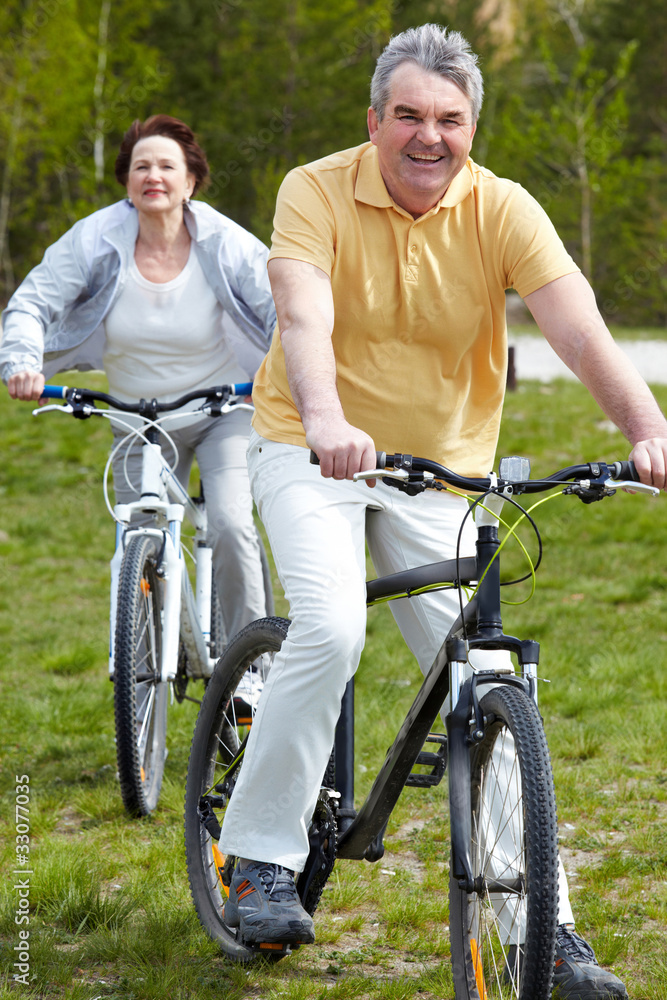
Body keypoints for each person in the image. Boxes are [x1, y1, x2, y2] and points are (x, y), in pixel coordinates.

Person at [219, 24, 667, 997]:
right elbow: (302, 315)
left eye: (450, 119)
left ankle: (542, 931)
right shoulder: (314, 189)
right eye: (410, 116)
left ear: (472, 125)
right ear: (374, 119)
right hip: (312, 447)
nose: (430, 137)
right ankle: (255, 853)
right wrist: (331, 420)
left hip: (447, 471)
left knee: (494, 675)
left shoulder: (500, 208)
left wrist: (646, 426)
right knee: (333, 626)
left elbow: (578, 326)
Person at [0, 114, 276, 646]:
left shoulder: (220, 240)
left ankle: (250, 670)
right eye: (141, 165)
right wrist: (21, 363)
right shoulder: (98, 238)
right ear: (127, 181)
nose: (154, 175)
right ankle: (143, 676)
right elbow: (31, 302)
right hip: (134, 418)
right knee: (138, 539)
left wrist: (285, 371)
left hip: (220, 410)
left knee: (230, 524)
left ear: (190, 181)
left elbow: (280, 305)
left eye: (167, 165)